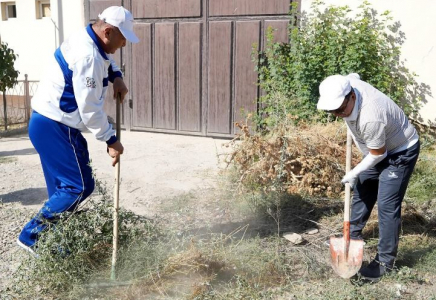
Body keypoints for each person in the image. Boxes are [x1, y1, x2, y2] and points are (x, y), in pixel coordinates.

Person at [16, 6, 139, 256]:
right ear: (107, 31)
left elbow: (107, 58)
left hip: (46, 122)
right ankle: (31, 235)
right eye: (122, 37)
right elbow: (90, 109)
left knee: (62, 192)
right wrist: (111, 139)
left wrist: (116, 75)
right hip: (55, 126)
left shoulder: (88, 37)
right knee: (79, 186)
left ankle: (54, 247)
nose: (124, 43)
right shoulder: (89, 57)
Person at [317, 73, 420, 282]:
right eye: (332, 111)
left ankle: (384, 262)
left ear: (351, 97)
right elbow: (353, 76)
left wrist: (354, 171)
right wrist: (359, 174)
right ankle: (351, 236)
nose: (337, 114)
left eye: (340, 109)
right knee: (363, 189)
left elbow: (378, 154)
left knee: (386, 205)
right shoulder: (347, 85)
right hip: (375, 149)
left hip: (399, 152)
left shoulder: (370, 116)